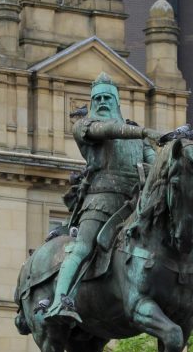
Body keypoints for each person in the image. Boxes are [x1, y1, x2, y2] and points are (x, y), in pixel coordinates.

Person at [44, 72, 160, 324]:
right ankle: (59, 302)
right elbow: (107, 130)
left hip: (135, 201)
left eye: (108, 98)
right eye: (98, 98)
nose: (103, 102)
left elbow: (155, 166)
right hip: (101, 199)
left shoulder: (136, 136)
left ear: (117, 103)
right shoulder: (85, 126)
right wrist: (145, 132)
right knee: (83, 246)